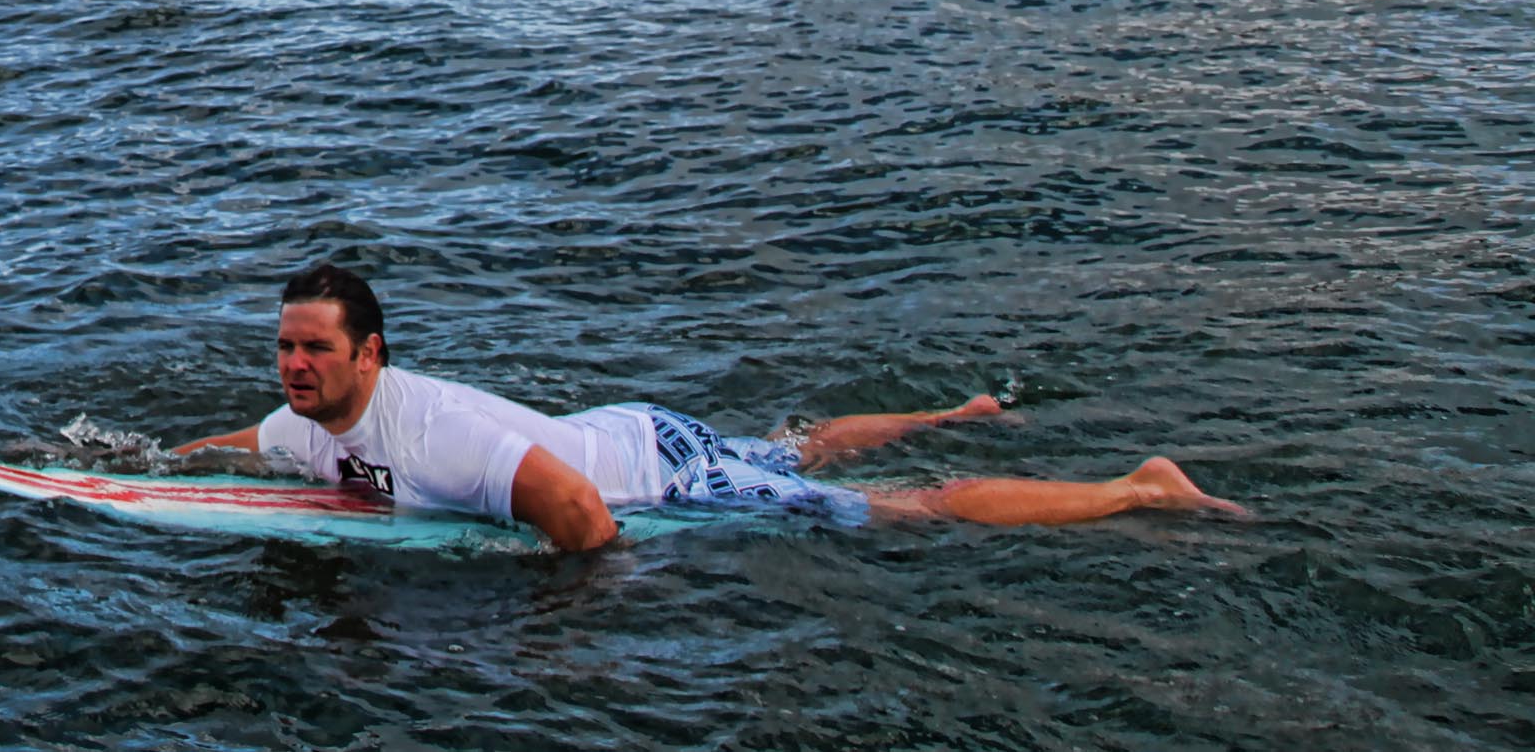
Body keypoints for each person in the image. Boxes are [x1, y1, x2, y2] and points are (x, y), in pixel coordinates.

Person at [182, 266, 1243, 551]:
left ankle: (1135, 486)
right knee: (798, 441)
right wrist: (160, 457)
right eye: (282, 345)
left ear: (372, 352)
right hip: (633, 420)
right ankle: (960, 406)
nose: (292, 363)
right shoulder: (300, 420)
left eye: (314, 346)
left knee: (896, 509)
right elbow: (251, 440)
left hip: (668, 477)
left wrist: (551, 633)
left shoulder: (439, 433)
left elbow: (585, 520)